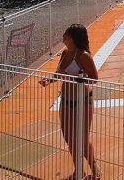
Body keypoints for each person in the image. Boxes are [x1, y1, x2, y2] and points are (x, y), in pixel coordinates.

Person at [39, 24, 101, 179]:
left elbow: (94, 78)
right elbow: (59, 74)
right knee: (69, 137)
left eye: (65, 34)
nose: (63, 36)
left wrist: (77, 79)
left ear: (73, 37)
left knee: (82, 138)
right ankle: (79, 170)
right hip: (66, 102)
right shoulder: (65, 53)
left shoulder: (83, 56)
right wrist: (49, 80)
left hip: (83, 102)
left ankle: (95, 168)